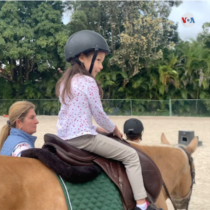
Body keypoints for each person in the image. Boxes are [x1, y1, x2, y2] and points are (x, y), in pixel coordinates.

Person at [55, 30, 159, 210]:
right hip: (83, 139)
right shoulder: (88, 82)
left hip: (64, 138)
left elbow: (73, 117)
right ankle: (142, 205)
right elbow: (100, 114)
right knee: (131, 155)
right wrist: (113, 129)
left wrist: (96, 129)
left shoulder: (66, 81)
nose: (101, 66)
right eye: (98, 60)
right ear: (82, 57)